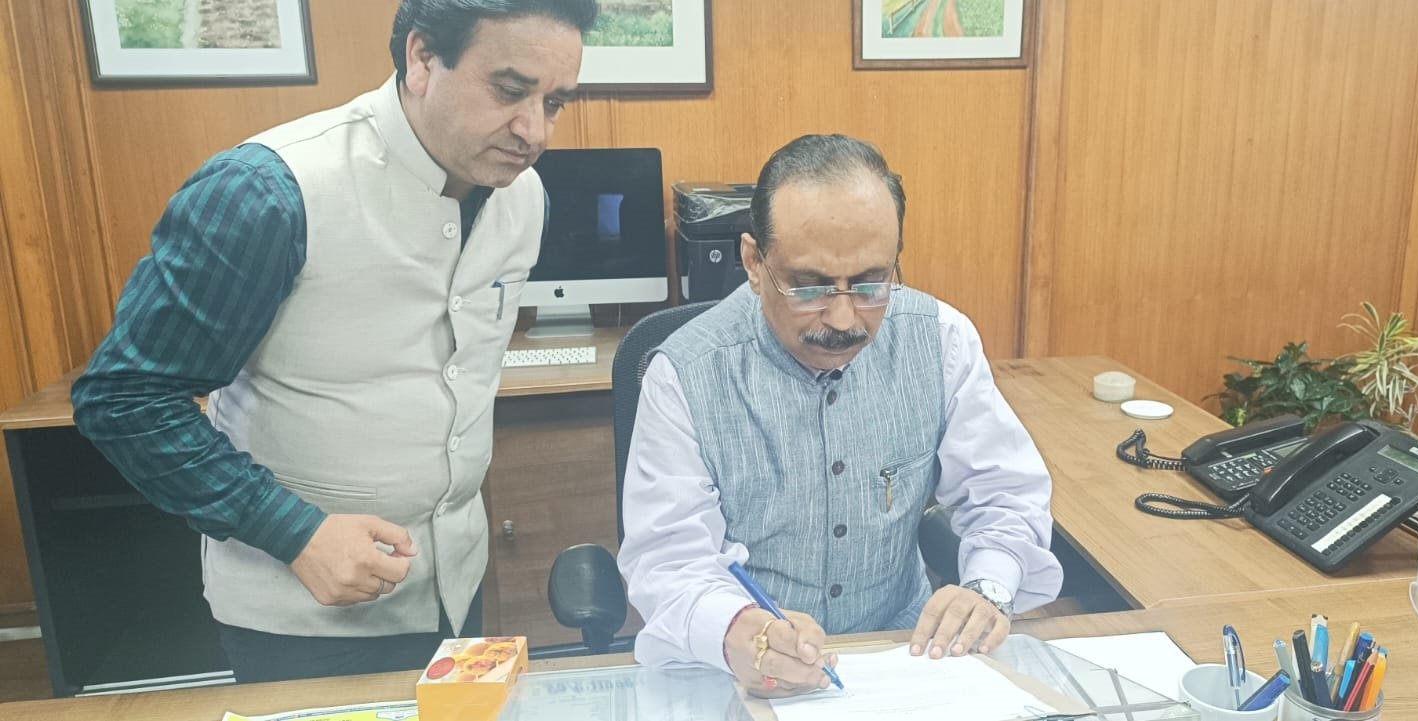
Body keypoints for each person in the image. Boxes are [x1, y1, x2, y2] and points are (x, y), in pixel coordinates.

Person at [70, 0, 597, 682]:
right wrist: (293, 531)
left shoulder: (526, 197)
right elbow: (124, 397)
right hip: (300, 611)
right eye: (509, 90)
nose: (534, 131)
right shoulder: (270, 191)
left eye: (554, 102)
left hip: (456, 586)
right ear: (421, 58)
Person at [617, 134, 1064, 697]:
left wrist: (988, 588)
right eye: (810, 287)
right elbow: (669, 559)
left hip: (902, 656)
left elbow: (1006, 494)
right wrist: (736, 630)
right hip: (742, 674)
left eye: (871, 283)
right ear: (754, 262)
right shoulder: (685, 373)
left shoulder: (941, 340)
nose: (845, 319)